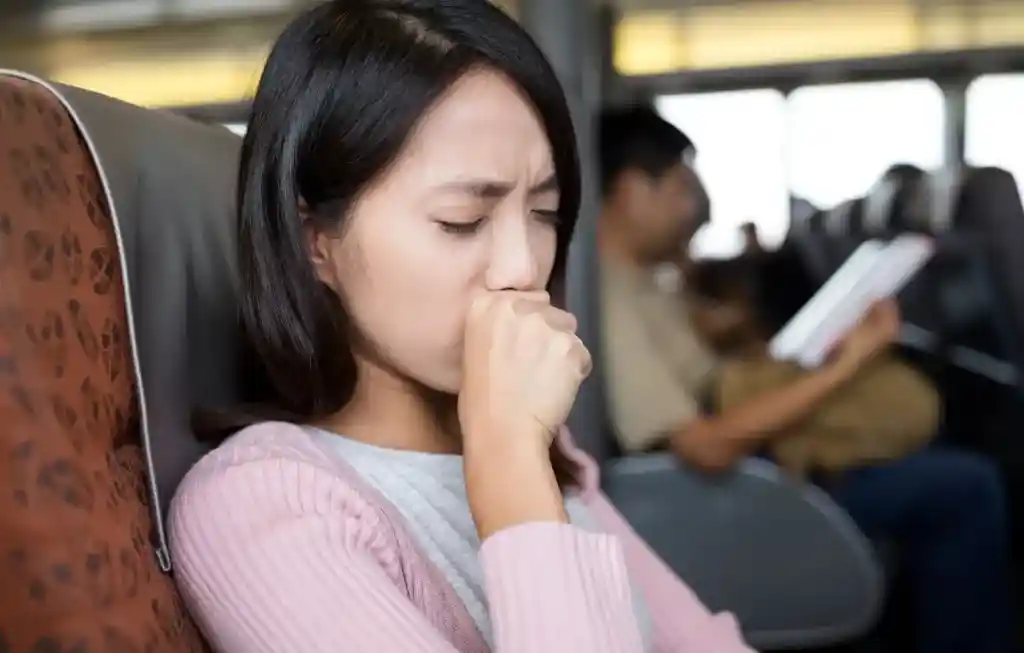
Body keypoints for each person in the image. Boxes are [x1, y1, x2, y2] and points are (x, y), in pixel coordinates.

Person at [167, 3, 755, 652]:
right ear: (316, 242)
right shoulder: (264, 504)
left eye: (545, 212)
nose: (522, 266)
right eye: (462, 221)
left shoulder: (548, 446)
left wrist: (522, 447)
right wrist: (508, 456)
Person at [597, 105, 1013, 653]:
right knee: (966, 487)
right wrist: (849, 365)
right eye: (678, 189)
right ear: (630, 190)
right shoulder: (611, 300)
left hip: (757, 465)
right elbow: (706, 445)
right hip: (734, 488)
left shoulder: (647, 281)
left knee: (935, 455)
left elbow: (711, 380)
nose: (689, 207)